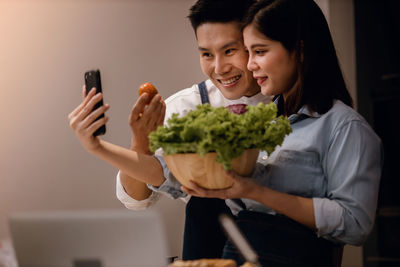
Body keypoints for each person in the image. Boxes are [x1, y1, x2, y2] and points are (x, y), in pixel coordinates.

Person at [152, 0, 383, 266]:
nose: (249, 65)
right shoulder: (261, 124)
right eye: (248, 52)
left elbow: (355, 224)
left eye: (259, 51)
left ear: (300, 50)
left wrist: (255, 191)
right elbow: (173, 181)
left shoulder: (343, 127)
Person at [68, 0, 272, 260]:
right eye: (207, 54)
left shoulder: (290, 101)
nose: (219, 68)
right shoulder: (186, 106)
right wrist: (140, 143)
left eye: (230, 51)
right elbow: (136, 200)